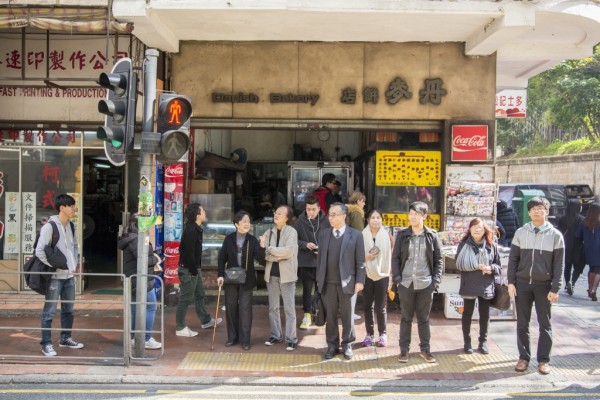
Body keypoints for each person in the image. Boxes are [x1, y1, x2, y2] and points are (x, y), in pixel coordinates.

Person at [508, 196, 564, 375]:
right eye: (533, 208)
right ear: (529, 212)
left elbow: (559, 264)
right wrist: (510, 282)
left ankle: (543, 361)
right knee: (522, 323)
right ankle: (523, 358)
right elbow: (513, 260)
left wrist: (555, 288)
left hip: (544, 286)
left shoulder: (555, 235)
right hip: (522, 284)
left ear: (547, 211)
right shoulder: (520, 232)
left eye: (541, 208)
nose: (537, 211)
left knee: (544, 324)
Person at [391, 201, 443, 364]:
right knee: (406, 317)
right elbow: (396, 258)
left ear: (424, 216)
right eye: (411, 214)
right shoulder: (402, 235)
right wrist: (398, 279)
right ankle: (404, 350)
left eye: (416, 214)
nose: (412, 217)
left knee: (423, 318)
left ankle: (425, 349)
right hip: (406, 283)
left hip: (425, 283)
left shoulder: (432, 235)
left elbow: (438, 259)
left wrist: (435, 281)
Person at [316, 202, 366, 360]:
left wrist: (360, 281)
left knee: (347, 315)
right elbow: (320, 260)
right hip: (328, 283)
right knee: (330, 316)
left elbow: (361, 261)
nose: (330, 218)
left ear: (344, 216)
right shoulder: (323, 234)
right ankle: (332, 345)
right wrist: (319, 281)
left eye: (334, 215)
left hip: (348, 282)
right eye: (329, 215)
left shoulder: (356, 235)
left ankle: (348, 344)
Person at [37, 194, 83, 357]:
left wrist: (75, 264)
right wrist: (54, 266)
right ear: (61, 208)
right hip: (55, 278)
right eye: (71, 206)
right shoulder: (50, 226)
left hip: (69, 276)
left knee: (68, 310)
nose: (74, 208)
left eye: (74, 205)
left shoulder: (71, 226)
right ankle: (46, 343)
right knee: (49, 311)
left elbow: (75, 246)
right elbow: (40, 251)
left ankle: (65, 338)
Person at [217, 211, 265, 350]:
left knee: (245, 310)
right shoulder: (229, 239)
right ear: (236, 224)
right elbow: (222, 258)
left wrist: (262, 246)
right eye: (244, 221)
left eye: (248, 221)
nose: (247, 224)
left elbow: (261, 260)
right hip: (230, 280)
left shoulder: (252, 240)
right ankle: (232, 338)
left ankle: (245, 340)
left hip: (247, 280)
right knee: (231, 309)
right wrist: (220, 275)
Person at [455, 218, 501, 355]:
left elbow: (498, 266)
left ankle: (483, 342)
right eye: (473, 227)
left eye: (479, 227)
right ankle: (467, 342)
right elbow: (459, 264)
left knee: (485, 315)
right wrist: (475, 266)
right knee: (467, 314)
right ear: (469, 229)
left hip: (485, 284)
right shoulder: (463, 245)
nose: (476, 230)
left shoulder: (491, 245)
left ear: (484, 230)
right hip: (469, 283)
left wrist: (490, 268)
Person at [176, 203, 222, 337]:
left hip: (194, 269)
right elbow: (187, 252)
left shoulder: (196, 228)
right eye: (203, 211)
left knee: (200, 294)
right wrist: (193, 270)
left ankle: (206, 320)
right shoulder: (191, 230)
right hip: (189, 270)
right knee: (185, 298)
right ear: (197, 215)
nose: (205, 212)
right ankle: (180, 327)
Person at [117, 213, 162, 350]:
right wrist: (156, 259)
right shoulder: (137, 239)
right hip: (140, 278)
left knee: (135, 309)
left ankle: (133, 337)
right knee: (150, 306)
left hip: (134, 278)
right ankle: (146, 338)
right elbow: (143, 260)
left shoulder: (130, 238)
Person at [260, 205, 299, 351]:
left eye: (280, 213)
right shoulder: (268, 232)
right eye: (276, 212)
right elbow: (264, 255)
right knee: (273, 307)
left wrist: (270, 250)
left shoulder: (292, 232)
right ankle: (275, 335)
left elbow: (288, 252)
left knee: (289, 309)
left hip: (287, 276)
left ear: (287, 218)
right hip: (271, 275)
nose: (276, 215)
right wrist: (276, 254)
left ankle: (291, 339)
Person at [294, 195, 330, 330]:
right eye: (308, 209)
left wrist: (321, 248)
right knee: (307, 290)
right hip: (305, 261)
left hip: (321, 261)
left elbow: (330, 238)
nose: (311, 212)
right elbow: (293, 240)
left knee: (321, 289)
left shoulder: (325, 221)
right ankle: (307, 314)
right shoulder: (299, 222)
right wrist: (304, 244)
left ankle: (319, 312)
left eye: (313, 209)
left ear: (319, 209)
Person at [361, 209, 392, 348]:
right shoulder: (362, 235)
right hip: (366, 274)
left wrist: (390, 276)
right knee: (367, 305)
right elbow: (357, 255)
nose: (375, 220)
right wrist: (366, 257)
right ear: (368, 220)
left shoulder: (386, 235)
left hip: (382, 274)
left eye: (378, 217)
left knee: (380, 306)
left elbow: (386, 255)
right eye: (372, 217)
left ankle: (382, 334)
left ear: (381, 220)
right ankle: (369, 334)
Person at [346, 190, 366, 321]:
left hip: (344, 248)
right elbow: (359, 233)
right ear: (358, 200)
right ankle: (350, 312)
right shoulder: (357, 212)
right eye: (363, 201)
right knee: (353, 283)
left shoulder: (346, 210)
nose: (364, 204)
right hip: (353, 249)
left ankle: (347, 311)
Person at [558, 200, 585, 296]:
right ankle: (572, 283)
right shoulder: (582, 220)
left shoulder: (562, 219)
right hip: (579, 246)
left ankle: (567, 283)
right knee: (578, 266)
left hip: (566, 245)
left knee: (567, 265)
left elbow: (559, 232)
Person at [574, 202, 600, 301]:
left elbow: (577, 234)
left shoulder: (585, 222)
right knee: (598, 270)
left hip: (588, 249)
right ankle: (593, 289)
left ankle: (589, 288)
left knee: (592, 268)